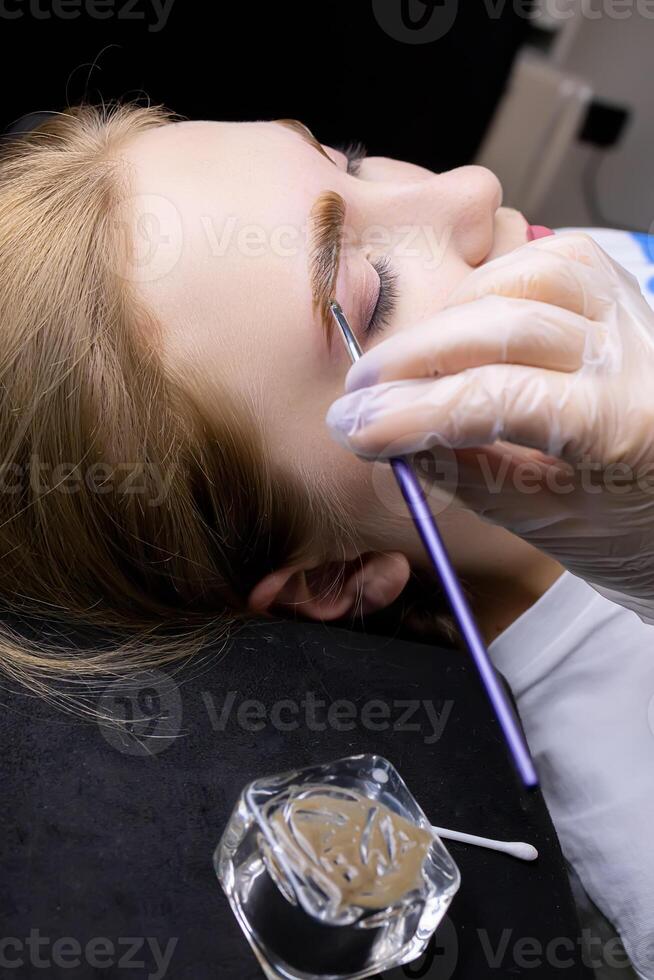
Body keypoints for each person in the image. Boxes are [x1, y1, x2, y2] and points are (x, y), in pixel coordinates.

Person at [1, 101, 652, 976]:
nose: (472, 189)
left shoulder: (571, 280)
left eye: (349, 159)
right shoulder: (634, 803)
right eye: (371, 294)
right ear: (332, 578)